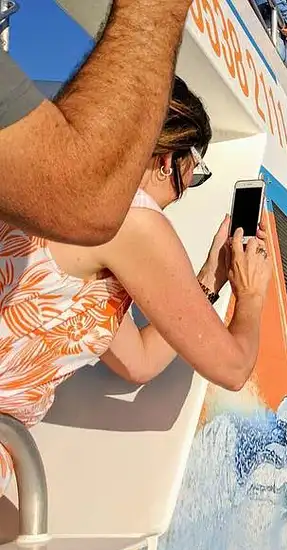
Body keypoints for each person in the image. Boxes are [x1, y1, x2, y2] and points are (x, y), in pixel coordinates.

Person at [0, 78, 272, 493]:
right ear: (167, 160)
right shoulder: (133, 219)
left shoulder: (55, 193)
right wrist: (250, 294)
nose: (185, 190)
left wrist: (209, 279)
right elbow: (233, 369)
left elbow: (138, 361)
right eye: (193, 170)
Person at [0, 0, 203, 245]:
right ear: (166, 162)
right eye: (197, 169)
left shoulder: (22, 210)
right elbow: (77, 200)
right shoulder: (141, 221)